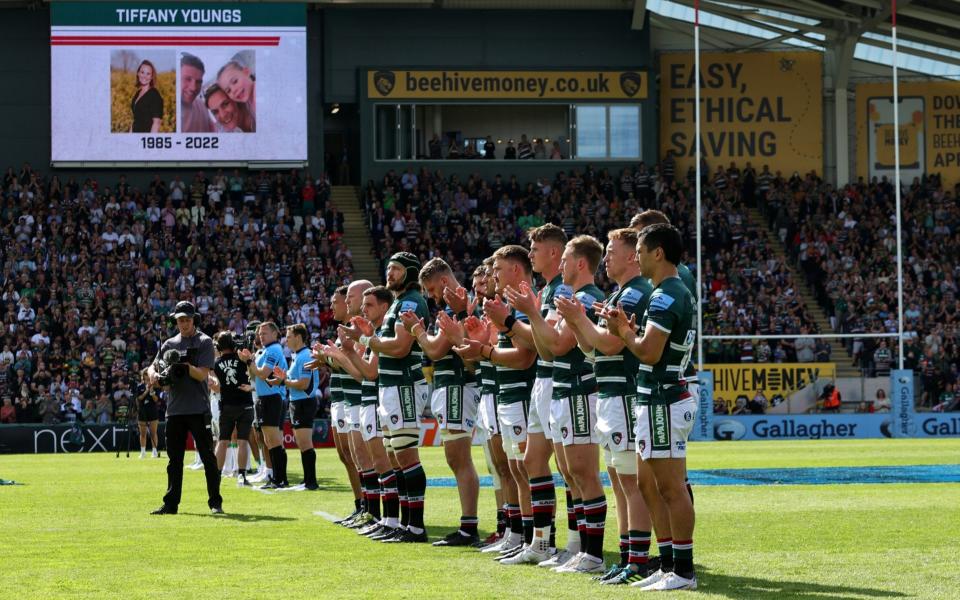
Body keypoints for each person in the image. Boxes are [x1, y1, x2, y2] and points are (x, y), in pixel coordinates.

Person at [557, 227, 661, 585]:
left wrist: (579, 320)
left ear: (633, 256)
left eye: (613, 252)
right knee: (620, 480)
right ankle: (628, 555)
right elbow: (593, 348)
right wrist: (578, 321)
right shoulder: (621, 293)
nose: (606, 259)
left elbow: (612, 345)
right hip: (610, 393)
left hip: (625, 393)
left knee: (630, 481)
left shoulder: (633, 294)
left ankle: (637, 559)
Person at [602, 224, 698, 591]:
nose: (636, 257)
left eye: (640, 251)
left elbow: (648, 351)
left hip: (664, 399)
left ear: (658, 253)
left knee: (670, 487)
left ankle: (683, 570)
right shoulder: (667, 292)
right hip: (653, 398)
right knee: (647, 484)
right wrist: (627, 328)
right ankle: (668, 562)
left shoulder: (665, 296)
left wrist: (623, 331)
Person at [506, 235, 607, 574]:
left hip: (578, 388)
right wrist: (529, 317)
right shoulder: (570, 296)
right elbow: (548, 347)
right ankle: (576, 548)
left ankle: (589, 552)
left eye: (565, 259)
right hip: (563, 388)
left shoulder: (586, 297)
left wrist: (525, 315)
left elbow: (558, 346)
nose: (561, 265)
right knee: (570, 471)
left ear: (579, 263)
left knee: (582, 472)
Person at [486, 224, 569, 566]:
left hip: (539, 388)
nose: (492, 275)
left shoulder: (548, 293)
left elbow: (531, 350)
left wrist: (503, 328)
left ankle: (563, 543)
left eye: (498, 269)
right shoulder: (546, 292)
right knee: (524, 466)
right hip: (534, 389)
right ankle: (534, 539)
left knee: (565, 469)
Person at [454, 246, 538, 560]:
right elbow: (480, 362)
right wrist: (476, 343)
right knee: (506, 467)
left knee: (525, 468)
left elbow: (522, 355)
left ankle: (535, 538)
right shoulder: (502, 308)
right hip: (500, 394)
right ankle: (516, 533)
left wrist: (482, 347)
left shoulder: (516, 304)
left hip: (519, 393)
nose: (490, 279)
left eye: (494, 273)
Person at [400, 258, 481, 547]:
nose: (432, 295)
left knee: (460, 458)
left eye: (433, 289)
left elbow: (435, 350)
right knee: (455, 457)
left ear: (445, 282)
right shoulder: (450, 308)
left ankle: (469, 527)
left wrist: (417, 331)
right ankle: (469, 525)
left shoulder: (459, 306)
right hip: (449, 386)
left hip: (458, 385)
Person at [147, 301, 222, 515]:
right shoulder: (169, 343)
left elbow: (202, 374)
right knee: (174, 460)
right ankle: (171, 504)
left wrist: (185, 367)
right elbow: (153, 367)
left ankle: (215, 502)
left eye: (187, 319)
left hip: (198, 408)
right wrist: (153, 374)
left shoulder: (205, 341)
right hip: (175, 410)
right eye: (180, 320)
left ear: (194, 319)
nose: (184, 323)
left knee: (208, 457)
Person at [239, 322, 289, 489]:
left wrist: (249, 361)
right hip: (264, 398)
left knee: (273, 440)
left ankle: (279, 478)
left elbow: (263, 373)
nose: (261, 336)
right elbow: (254, 374)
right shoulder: (266, 350)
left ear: (275, 334)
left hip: (272, 398)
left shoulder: (274, 350)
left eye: (265, 333)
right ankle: (277, 477)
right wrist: (249, 362)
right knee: (269, 440)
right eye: (260, 333)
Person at [274, 323, 320, 490]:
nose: (286, 340)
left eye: (289, 336)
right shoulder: (297, 355)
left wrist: (283, 381)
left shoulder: (305, 356)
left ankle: (311, 482)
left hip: (304, 402)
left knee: (305, 443)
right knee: (302, 443)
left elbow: (303, 383)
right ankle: (307, 480)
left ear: (299, 337)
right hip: (297, 402)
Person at [212, 331, 254, 487]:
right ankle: (242, 475)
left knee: (222, 441)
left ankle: (216, 476)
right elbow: (252, 373)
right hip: (245, 403)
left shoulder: (216, 363)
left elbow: (217, 386)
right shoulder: (241, 358)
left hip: (227, 405)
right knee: (242, 441)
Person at [179, 53, 214, 133]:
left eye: (198, 82)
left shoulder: (201, 105)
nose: (193, 87)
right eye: (187, 79)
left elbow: (213, 129)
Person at [216, 59, 256, 123]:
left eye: (235, 81)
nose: (233, 90)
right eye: (228, 90)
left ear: (246, 72)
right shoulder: (248, 101)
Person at [130, 60, 163, 133]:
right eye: (142, 72)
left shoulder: (154, 94)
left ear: (151, 77)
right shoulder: (137, 93)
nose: (144, 76)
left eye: (148, 74)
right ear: (138, 73)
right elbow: (135, 120)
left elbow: (156, 123)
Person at [135, 368, 161, 458]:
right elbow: (139, 399)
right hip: (142, 411)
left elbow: (156, 399)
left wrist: (152, 392)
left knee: (154, 433)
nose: (146, 377)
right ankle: (143, 452)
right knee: (143, 433)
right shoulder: (139, 387)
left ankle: (154, 451)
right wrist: (146, 391)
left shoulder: (156, 386)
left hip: (153, 411)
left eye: (147, 375)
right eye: (145, 375)